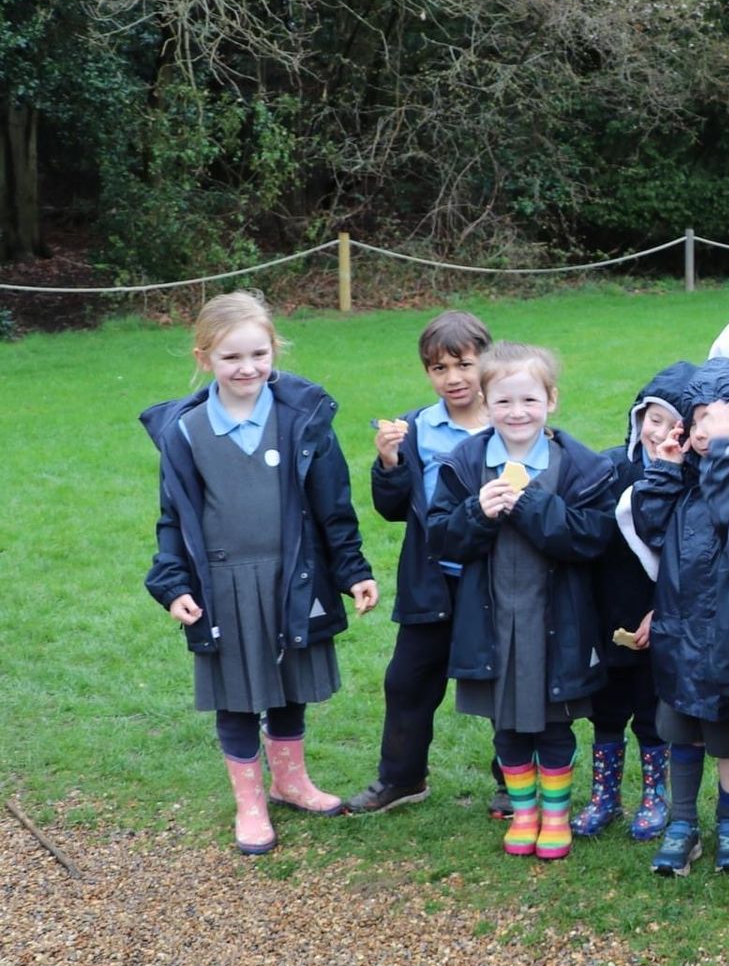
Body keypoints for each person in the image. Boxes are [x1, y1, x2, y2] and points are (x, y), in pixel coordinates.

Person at [141, 291, 378, 854]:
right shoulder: (186, 431)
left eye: (258, 353)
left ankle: (291, 782)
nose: (247, 368)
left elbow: (333, 505)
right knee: (238, 693)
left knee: (289, 680)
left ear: (275, 349)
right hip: (223, 584)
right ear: (204, 359)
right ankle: (250, 801)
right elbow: (173, 517)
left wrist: (353, 570)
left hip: (293, 573)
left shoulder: (304, 419)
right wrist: (173, 585)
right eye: (230, 358)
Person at [428, 343, 617, 861]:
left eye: (529, 400)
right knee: (506, 722)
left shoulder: (580, 465)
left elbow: (591, 539)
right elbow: (441, 538)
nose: (517, 413)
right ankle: (524, 809)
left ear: (551, 400)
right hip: (493, 621)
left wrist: (532, 503)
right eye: (504, 402)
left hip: (557, 620)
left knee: (554, 720)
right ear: (486, 404)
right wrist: (475, 513)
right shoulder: (466, 464)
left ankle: (555, 815)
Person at [346, 311, 498, 816]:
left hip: (493, 580)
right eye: (439, 368)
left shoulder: (510, 418)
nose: (453, 378)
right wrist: (389, 463)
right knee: (407, 681)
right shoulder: (416, 427)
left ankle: (513, 780)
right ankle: (402, 778)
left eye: (464, 364)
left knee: (502, 681)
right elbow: (392, 509)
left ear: (486, 362)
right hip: (431, 578)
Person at [630, 358, 729, 875]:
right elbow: (647, 526)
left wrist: (724, 459)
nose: (705, 426)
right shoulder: (683, 485)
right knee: (682, 734)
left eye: (721, 415)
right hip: (679, 635)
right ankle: (683, 824)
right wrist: (666, 469)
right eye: (698, 415)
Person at [572, 361, 697, 840]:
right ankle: (604, 797)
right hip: (607, 612)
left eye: (673, 423)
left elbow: (690, 560)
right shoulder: (609, 470)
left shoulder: (689, 483)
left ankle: (654, 796)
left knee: (650, 712)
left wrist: (661, 611)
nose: (658, 431)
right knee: (606, 708)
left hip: (658, 616)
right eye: (653, 417)